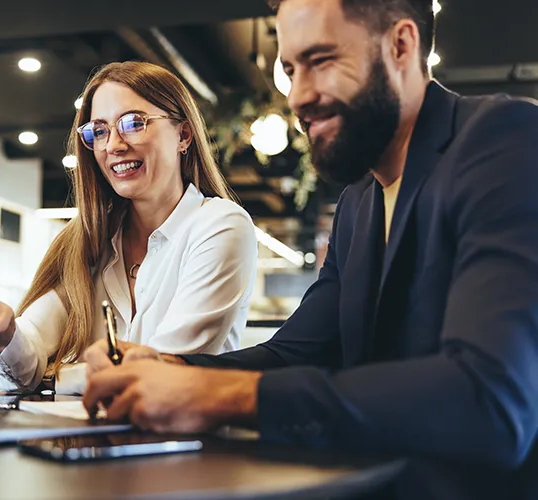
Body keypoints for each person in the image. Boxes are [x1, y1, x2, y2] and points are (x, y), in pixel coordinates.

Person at [82, 0, 538, 498]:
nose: (298, 96)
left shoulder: (504, 141)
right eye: (290, 70)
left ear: (401, 45)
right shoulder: (359, 202)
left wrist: (230, 395)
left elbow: (490, 400)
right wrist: (170, 368)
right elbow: (296, 353)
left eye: (320, 62)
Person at [0, 61, 257, 395]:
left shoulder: (220, 225)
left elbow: (162, 373)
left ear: (183, 135)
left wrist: (53, 379)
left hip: (190, 444)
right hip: (95, 443)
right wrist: (4, 332)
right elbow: (26, 360)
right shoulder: (89, 240)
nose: (113, 144)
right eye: (99, 131)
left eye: (133, 123)